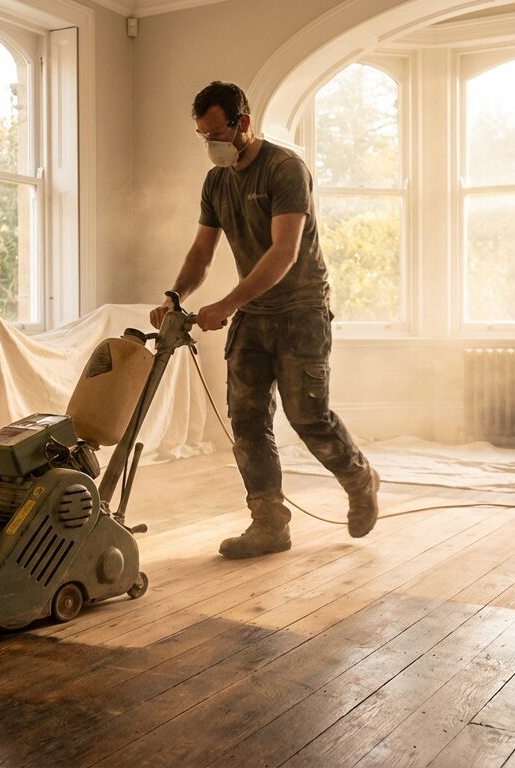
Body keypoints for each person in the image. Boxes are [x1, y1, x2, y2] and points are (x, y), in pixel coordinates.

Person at [150, 81, 380, 559]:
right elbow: (201, 252)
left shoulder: (284, 168)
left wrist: (226, 305)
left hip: (301, 310)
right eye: (202, 136)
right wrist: (176, 296)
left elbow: (283, 252)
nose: (210, 144)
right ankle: (269, 523)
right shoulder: (216, 182)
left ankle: (359, 478)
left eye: (216, 133)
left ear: (243, 123)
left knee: (307, 415)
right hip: (254, 315)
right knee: (248, 420)